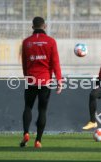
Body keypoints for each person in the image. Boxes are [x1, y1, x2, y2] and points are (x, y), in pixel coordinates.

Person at [20, 16, 62, 148]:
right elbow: (55, 63)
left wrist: (27, 76)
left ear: (32, 27)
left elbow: (24, 63)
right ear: (45, 26)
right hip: (45, 81)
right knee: (42, 110)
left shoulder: (26, 42)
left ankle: (26, 133)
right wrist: (59, 80)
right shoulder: (51, 41)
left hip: (31, 79)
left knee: (28, 107)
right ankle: (38, 141)